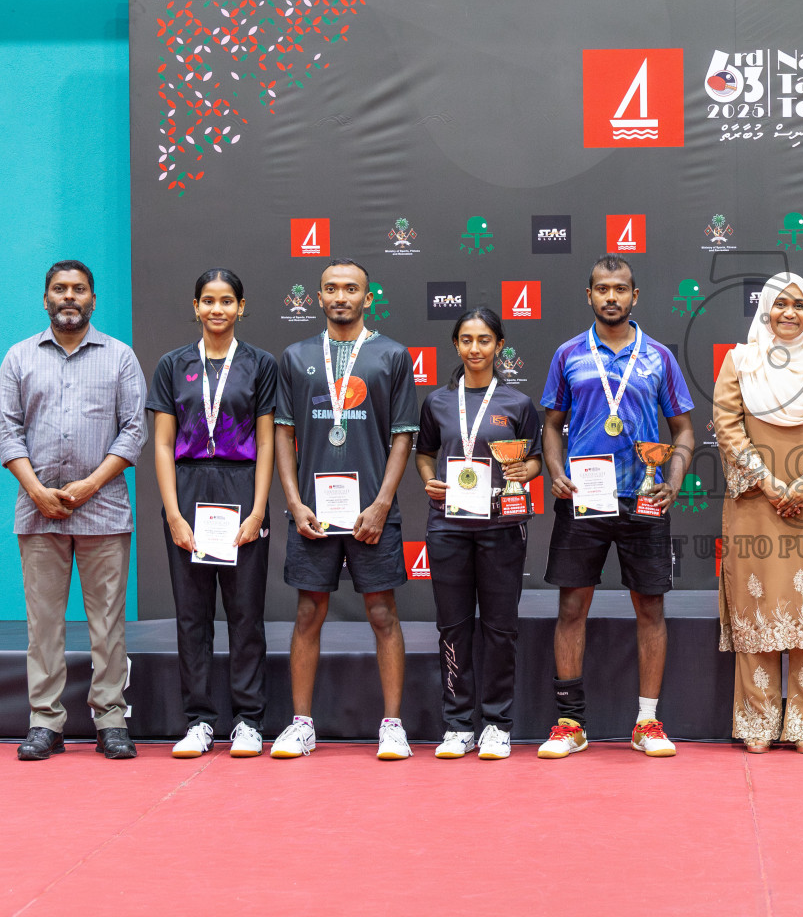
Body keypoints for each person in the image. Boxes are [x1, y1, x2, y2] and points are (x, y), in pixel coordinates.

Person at [538, 254, 695, 759]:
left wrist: (671, 480)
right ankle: (570, 723)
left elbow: (685, 432)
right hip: (584, 498)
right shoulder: (568, 355)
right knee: (570, 606)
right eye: (602, 289)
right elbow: (550, 424)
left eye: (620, 289)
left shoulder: (659, 357)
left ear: (635, 296)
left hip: (644, 498)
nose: (611, 297)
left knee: (650, 606)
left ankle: (647, 723)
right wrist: (556, 470)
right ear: (589, 296)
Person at [269, 259, 419, 761]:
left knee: (382, 613)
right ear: (318, 297)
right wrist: (292, 501)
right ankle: (301, 724)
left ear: (367, 297)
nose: (341, 296)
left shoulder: (392, 355)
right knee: (309, 611)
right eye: (331, 288)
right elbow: (284, 434)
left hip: (371, 513)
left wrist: (381, 504)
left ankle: (393, 725)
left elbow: (402, 438)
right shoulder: (295, 356)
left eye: (351, 289)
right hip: (313, 512)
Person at [1, 261, 147, 761]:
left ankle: (110, 718)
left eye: (79, 289)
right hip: (36, 509)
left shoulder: (119, 357)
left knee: (107, 622)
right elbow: (7, 431)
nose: (70, 297)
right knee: (43, 624)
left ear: (92, 299)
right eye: (60, 289)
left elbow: (133, 431)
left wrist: (89, 484)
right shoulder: (19, 357)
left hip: (103, 508)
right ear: (46, 299)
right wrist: (36, 489)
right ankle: (46, 722)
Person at [716, 272, 803, 753]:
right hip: (757, 504)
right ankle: (757, 724)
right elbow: (726, 424)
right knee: (759, 610)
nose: (790, 313)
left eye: (799, 304)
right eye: (780, 304)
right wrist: (769, 482)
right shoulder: (740, 361)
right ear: (765, 310)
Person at [148, 268, 277, 759]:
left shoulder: (260, 364)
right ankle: (200, 720)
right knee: (193, 614)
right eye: (208, 300)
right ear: (195, 306)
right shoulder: (172, 364)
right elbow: (161, 444)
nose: (217, 309)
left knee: (246, 613)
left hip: (242, 487)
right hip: (188, 489)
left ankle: (248, 720)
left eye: (227, 300)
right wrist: (174, 514)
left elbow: (267, 441)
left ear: (241, 307)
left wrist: (259, 508)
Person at [415, 307, 541, 760]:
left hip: (501, 525)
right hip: (448, 526)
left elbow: (535, 461)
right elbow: (425, 453)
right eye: (466, 339)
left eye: (484, 340)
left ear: (499, 346)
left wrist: (522, 469)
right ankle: (456, 724)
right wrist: (428, 478)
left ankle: (496, 724)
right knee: (452, 625)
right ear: (456, 345)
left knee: (500, 627)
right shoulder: (437, 402)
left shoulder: (518, 404)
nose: (475, 348)